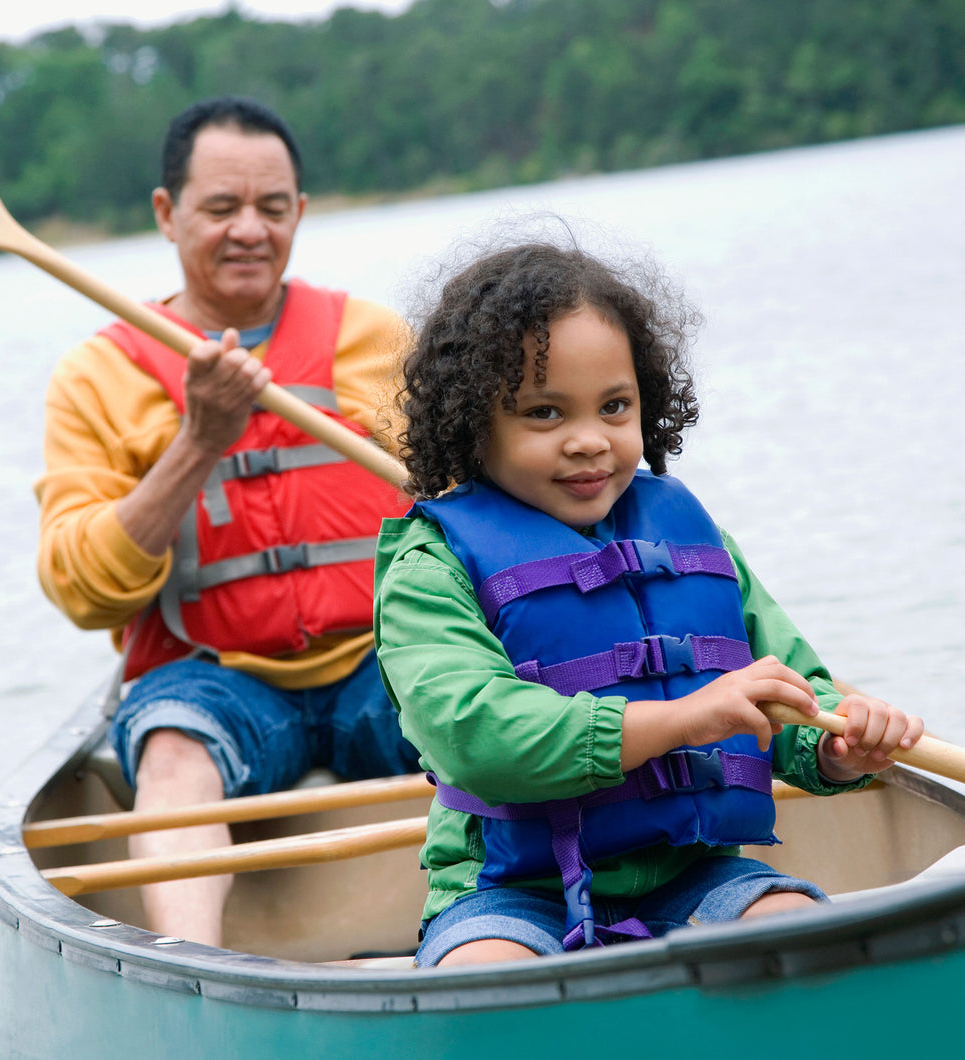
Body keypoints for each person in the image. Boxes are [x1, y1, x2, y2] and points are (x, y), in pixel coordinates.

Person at [372, 240, 924, 967]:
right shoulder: (429, 563)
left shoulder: (691, 534)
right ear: (475, 424)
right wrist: (685, 718)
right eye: (545, 413)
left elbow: (789, 692)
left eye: (614, 406)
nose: (589, 441)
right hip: (512, 890)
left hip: (697, 871)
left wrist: (836, 746)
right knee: (487, 972)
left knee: (796, 931)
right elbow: (480, 737)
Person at [36, 96, 418, 947]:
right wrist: (200, 442)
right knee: (173, 748)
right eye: (221, 208)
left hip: (381, 661)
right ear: (167, 215)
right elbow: (81, 591)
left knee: (474, 699)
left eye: (272, 208)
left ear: (300, 213)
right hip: (215, 679)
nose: (250, 229)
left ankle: (531, 913)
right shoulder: (97, 378)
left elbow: (471, 504)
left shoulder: (375, 339)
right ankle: (196, 972)